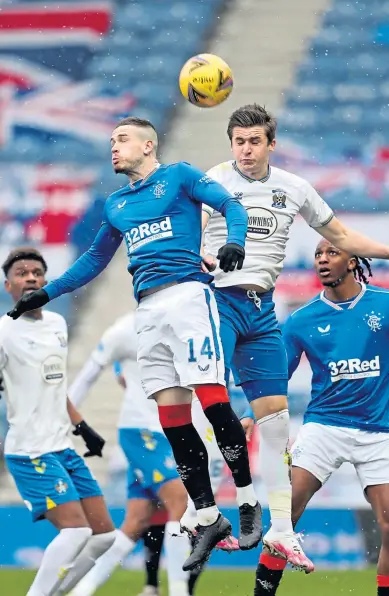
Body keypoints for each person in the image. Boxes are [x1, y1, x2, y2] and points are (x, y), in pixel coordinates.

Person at [7, 116, 261, 570]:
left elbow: (232, 206)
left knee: (213, 400)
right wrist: (47, 293)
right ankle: (207, 516)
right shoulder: (116, 204)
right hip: (147, 311)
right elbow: (93, 260)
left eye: (121, 139)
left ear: (148, 145)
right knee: (172, 419)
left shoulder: (180, 176)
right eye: (111, 140)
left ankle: (246, 501)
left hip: (187, 296)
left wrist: (236, 242)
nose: (114, 146)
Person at [200, 103, 389, 567]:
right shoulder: (214, 181)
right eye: (238, 141)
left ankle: (265, 527)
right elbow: (192, 228)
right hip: (226, 309)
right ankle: (206, 509)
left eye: (254, 141)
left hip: (270, 321)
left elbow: (344, 234)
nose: (246, 150)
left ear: (272, 144)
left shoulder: (295, 189)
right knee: (208, 398)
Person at [252, 239, 389, 596]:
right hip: (324, 427)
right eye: (318, 254)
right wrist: (251, 412)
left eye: (332, 253)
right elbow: (277, 377)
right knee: (284, 517)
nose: (322, 259)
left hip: (378, 431)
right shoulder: (302, 320)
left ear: (354, 261)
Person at [0, 247, 116, 596]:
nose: (31, 277)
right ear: (9, 285)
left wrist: (83, 427)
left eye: (36, 272)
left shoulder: (57, 324)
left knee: (104, 537)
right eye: (22, 273)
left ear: (47, 282)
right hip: (31, 450)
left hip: (63, 446)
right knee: (77, 532)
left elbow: (55, 385)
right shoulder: (4, 331)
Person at [68, 312, 189, 596]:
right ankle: (179, 591)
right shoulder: (123, 330)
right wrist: (67, 419)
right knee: (182, 503)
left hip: (169, 431)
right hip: (141, 430)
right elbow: (89, 373)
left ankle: (81, 590)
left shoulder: (184, 321)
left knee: (136, 522)